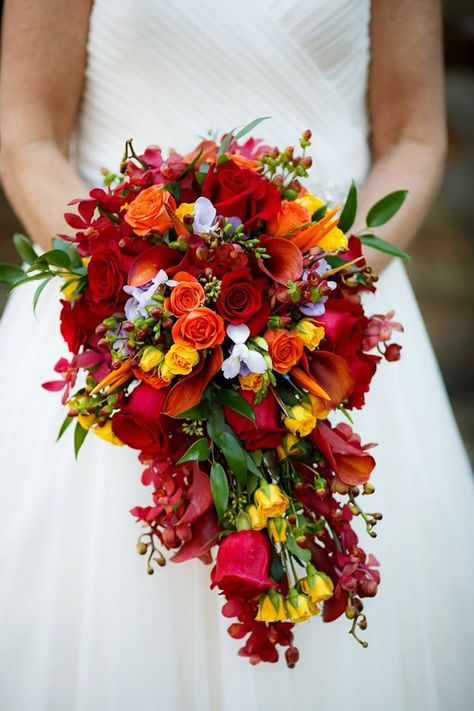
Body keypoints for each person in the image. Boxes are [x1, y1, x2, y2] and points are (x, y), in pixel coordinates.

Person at [0, 1, 472, 709]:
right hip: (125, 335)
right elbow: (29, 137)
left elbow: (414, 135)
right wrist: (143, 306)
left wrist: (321, 286)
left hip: (326, 330)